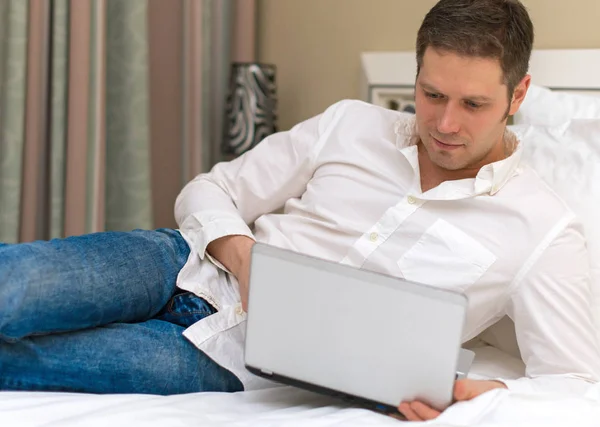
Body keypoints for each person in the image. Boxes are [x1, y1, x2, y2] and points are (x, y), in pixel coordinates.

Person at [1, 0, 599, 421]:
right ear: (415, 73)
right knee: (13, 286)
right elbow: (209, 189)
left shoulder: (542, 230)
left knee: (20, 363)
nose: (444, 123)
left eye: (473, 104)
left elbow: (576, 386)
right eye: (432, 94)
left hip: (226, 359)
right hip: (176, 262)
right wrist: (245, 258)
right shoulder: (350, 124)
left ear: (517, 95)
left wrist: (478, 390)